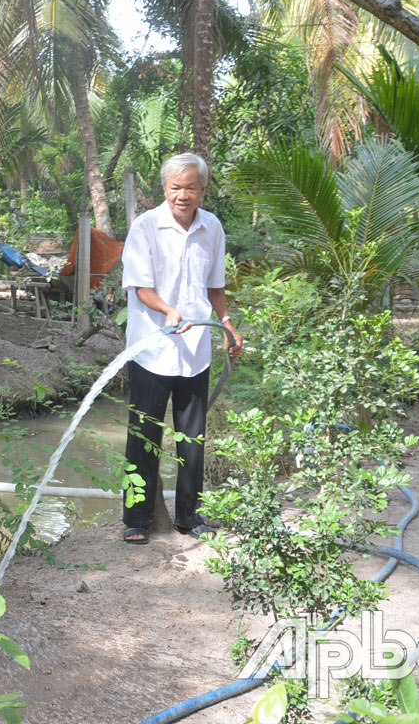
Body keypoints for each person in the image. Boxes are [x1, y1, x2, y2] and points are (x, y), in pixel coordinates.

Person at [119, 153, 243, 544]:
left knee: (192, 437)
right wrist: (168, 310)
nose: (183, 195)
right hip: (151, 348)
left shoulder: (213, 228)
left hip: (195, 351)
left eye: (191, 188)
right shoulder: (146, 227)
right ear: (165, 189)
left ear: (203, 190)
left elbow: (215, 285)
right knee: (143, 435)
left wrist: (226, 323)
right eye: (176, 188)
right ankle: (136, 520)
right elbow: (140, 287)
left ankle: (190, 518)